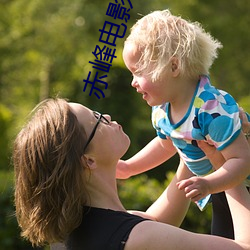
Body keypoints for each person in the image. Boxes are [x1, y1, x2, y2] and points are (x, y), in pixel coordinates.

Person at [13, 98, 250, 250]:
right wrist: (226, 165)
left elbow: (157, 221)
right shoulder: (138, 238)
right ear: (88, 160)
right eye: (97, 120)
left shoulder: (72, 234)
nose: (106, 116)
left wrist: (190, 137)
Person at [119, 9, 250, 238]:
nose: (133, 83)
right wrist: (130, 167)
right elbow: (166, 145)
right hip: (220, 188)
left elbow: (242, 160)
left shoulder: (211, 109)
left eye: (138, 72)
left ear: (173, 67)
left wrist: (209, 184)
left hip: (239, 185)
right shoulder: (162, 110)